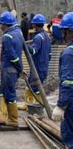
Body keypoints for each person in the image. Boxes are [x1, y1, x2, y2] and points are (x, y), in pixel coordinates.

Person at [0, 11, 23, 127]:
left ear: (4, 24)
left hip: (8, 69)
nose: (0, 26)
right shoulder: (18, 32)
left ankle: (13, 120)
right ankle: (2, 116)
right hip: (12, 70)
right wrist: (20, 68)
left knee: (9, 94)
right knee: (4, 92)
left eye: (1, 24)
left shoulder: (7, 37)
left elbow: (12, 56)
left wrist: (19, 67)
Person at [18, 14, 51, 110]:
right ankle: (38, 104)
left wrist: (24, 45)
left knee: (30, 87)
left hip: (37, 68)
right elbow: (49, 55)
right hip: (44, 67)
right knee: (38, 88)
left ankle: (29, 105)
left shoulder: (38, 38)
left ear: (34, 25)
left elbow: (33, 51)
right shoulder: (47, 37)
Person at [52, 12, 73, 149]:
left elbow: (68, 83)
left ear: (69, 31)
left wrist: (61, 106)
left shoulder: (69, 53)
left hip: (71, 103)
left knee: (70, 138)